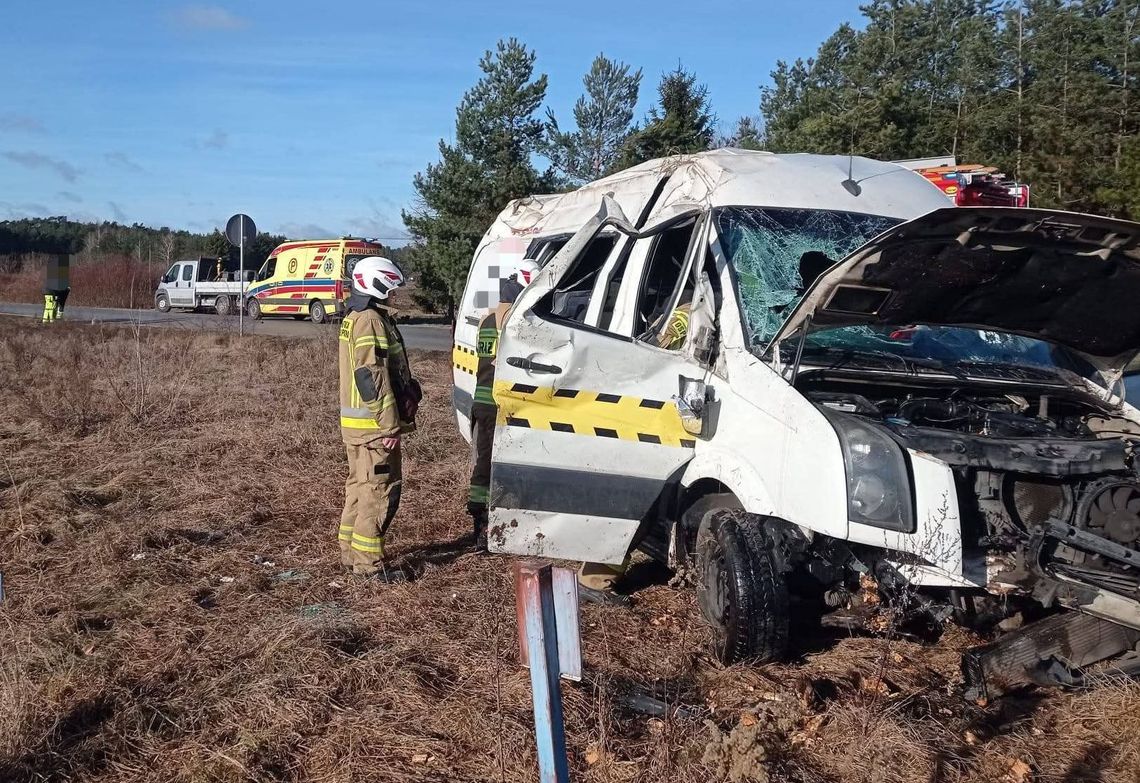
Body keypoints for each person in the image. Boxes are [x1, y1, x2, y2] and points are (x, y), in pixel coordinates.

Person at [338, 257, 422, 581]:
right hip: (374, 429)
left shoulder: (355, 317)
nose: (394, 294)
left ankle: (350, 554)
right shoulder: (371, 320)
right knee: (379, 492)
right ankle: (368, 566)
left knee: (359, 489)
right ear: (376, 285)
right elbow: (370, 376)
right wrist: (389, 424)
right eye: (390, 287)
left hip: (358, 427)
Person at [468, 259, 539, 547]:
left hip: (481, 400)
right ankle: (494, 525)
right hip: (501, 404)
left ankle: (479, 520)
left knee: (484, 462)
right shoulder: (515, 320)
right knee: (501, 465)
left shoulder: (487, 318)